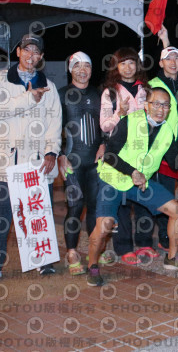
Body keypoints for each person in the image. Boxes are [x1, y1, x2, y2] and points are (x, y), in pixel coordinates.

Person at [87, 87, 178, 286]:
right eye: (156, 104)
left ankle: (172, 258)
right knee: (105, 225)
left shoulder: (168, 131)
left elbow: (174, 163)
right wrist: (132, 172)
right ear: (146, 105)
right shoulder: (130, 121)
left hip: (140, 183)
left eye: (165, 105)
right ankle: (92, 265)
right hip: (113, 178)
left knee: (177, 210)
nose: (160, 109)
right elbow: (109, 154)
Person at [0, 33, 61, 283]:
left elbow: (55, 123)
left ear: (41, 56)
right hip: (8, 161)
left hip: (37, 162)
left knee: (38, 213)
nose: (30, 55)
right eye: (27, 50)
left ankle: (42, 261)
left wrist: (51, 152)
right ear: (18, 52)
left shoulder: (49, 86)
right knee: (1, 216)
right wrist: (29, 98)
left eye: (36, 51)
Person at [100, 47, 156, 265]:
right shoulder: (110, 93)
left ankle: (144, 242)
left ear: (137, 65)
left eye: (131, 62)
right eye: (122, 63)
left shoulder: (147, 90)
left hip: (144, 151)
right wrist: (119, 114)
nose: (128, 67)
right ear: (116, 67)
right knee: (122, 201)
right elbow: (105, 126)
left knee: (144, 198)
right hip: (121, 153)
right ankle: (124, 247)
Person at [57, 51, 105, 276]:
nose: (82, 70)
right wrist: (59, 154)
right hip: (72, 160)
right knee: (75, 206)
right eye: (77, 66)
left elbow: (106, 125)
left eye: (87, 65)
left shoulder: (98, 94)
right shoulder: (62, 94)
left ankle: (95, 249)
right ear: (70, 69)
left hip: (95, 161)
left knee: (95, 206)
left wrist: (104, 144)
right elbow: (53, 127)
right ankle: (72, 252)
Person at [148, 46, 178, 251]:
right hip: (163, 145)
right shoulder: (152, 85)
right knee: (164, 191)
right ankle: (164, 235)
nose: (173, 62)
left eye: (177, 59)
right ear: (161, 63)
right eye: (168, 59)